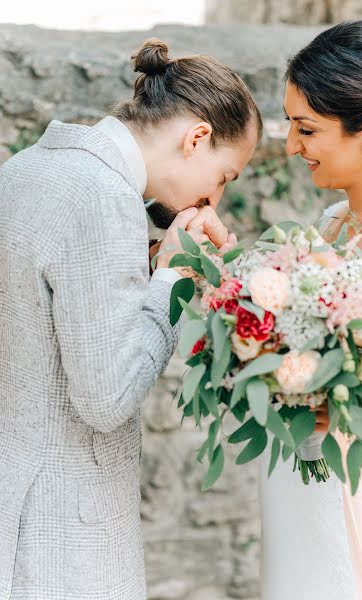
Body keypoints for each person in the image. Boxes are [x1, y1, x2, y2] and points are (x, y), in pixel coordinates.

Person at [0, 38, 261, 600]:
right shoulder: (103, 197)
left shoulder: (22, 170)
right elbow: (107, 396)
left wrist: (144, 262)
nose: (213, 201)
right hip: (64, 535)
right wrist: (173, 281)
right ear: (197, 138)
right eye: (224, 177)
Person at [260, 19, 362, 600]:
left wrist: (346, 405)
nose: (291, 146)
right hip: (299, 480)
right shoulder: (327, 230)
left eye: (306, 128)